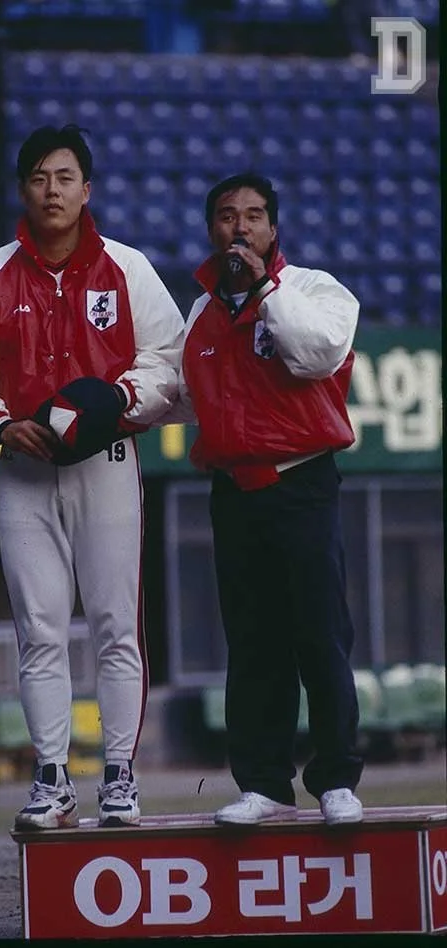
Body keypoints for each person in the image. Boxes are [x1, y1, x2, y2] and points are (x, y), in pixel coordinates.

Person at [0, 124, 184, 830]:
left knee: (115, 625)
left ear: (87, 188)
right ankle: (51, 780)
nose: (52, 190)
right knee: (40, 629)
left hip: (108, 462)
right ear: (23, 189)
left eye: (65, 177)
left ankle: (119, 776)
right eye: (40, 178)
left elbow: (169, 359)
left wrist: (119, 401)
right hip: (23, 467)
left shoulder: (128, 269)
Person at [174, 172, 364, 826]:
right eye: (227, 216)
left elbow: (315, 355)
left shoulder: (315, 289)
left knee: (320, 634)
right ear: (212, 230)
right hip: (234, 491)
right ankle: (263, 786)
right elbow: (182, 395)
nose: (241, 227)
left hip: (301, 483)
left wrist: (263, 289)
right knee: (253, 643)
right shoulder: (200, 313)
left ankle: (336, 780)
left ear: (273, 229)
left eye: (254, 216)